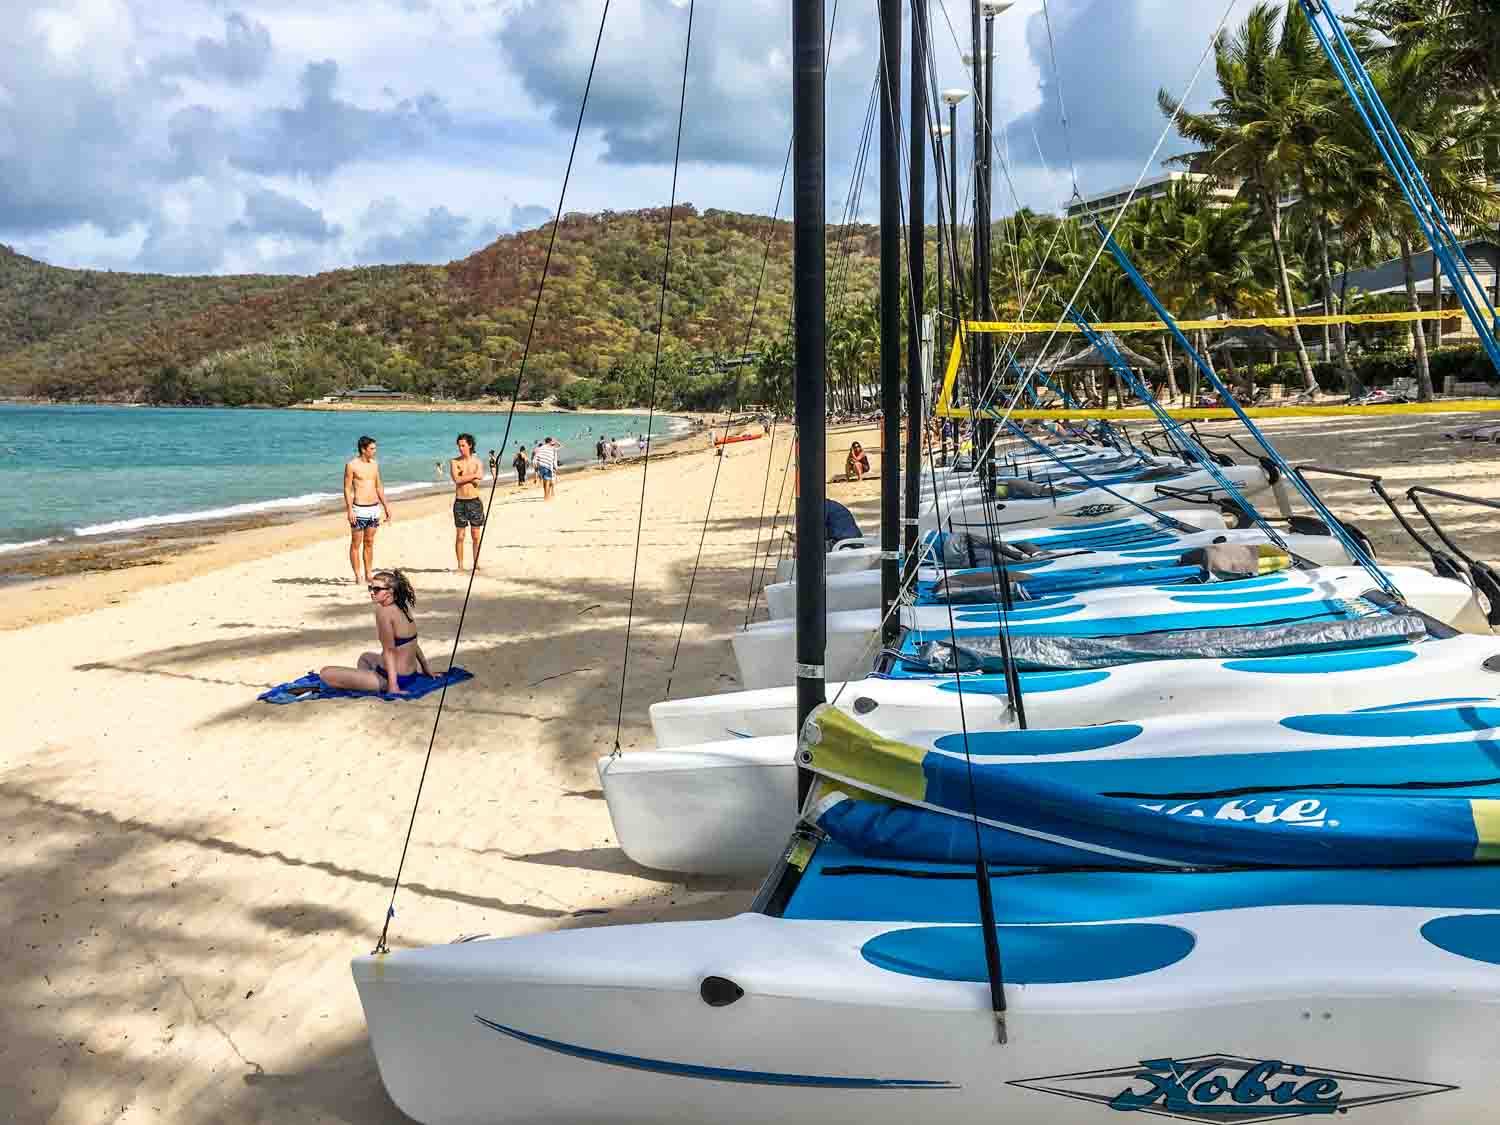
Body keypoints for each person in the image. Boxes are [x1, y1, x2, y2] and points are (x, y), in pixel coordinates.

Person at [318, 569, 432, 695]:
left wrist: (393, 687)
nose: (372, 592)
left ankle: (377, 685)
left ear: (390, 591)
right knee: (365, 657)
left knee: (325, 673)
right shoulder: (402, 607)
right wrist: (426, 669)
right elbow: (413, 642)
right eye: (370, 588)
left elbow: (389, 651)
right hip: (411, 674)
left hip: (392, 678)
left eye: (377, 589)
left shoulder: (383, 611)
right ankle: (368, 683)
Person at [344, 436, 391, 584]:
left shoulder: (375, 464)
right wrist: (350, 510)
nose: (374, 451)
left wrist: (386, 506)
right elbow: (346, 488)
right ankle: (358, 575)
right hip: (359, 509)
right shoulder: (352, 465)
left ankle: (369, 574)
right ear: (363, 450)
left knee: (369, 542)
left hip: (374, 509)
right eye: (372, 449)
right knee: (356, 544)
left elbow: (379, 486)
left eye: (375, 448)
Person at [450, 433, 485, 573]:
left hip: (474, 501)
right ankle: (460, 565)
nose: (460, 448)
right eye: (459, 445)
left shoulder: (477, 461)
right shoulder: (454, 462)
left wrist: (465, 476)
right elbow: (457, 480)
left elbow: (478, 481)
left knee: (476, 535)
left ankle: (476, 563)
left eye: (463, 445)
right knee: (460, 536)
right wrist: (473, 475)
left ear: (469, 445)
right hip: (460, 502)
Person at [532, 435, 559, 499]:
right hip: (548, 465)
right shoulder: (552, 448)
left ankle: (546, 495)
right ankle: (546, 497)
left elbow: (536, 455)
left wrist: (535, 464)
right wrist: (556, 441)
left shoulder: (540, 448)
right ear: (550, 442)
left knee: (545, 481)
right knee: (548, 481)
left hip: (541, 466)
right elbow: (559, 446)